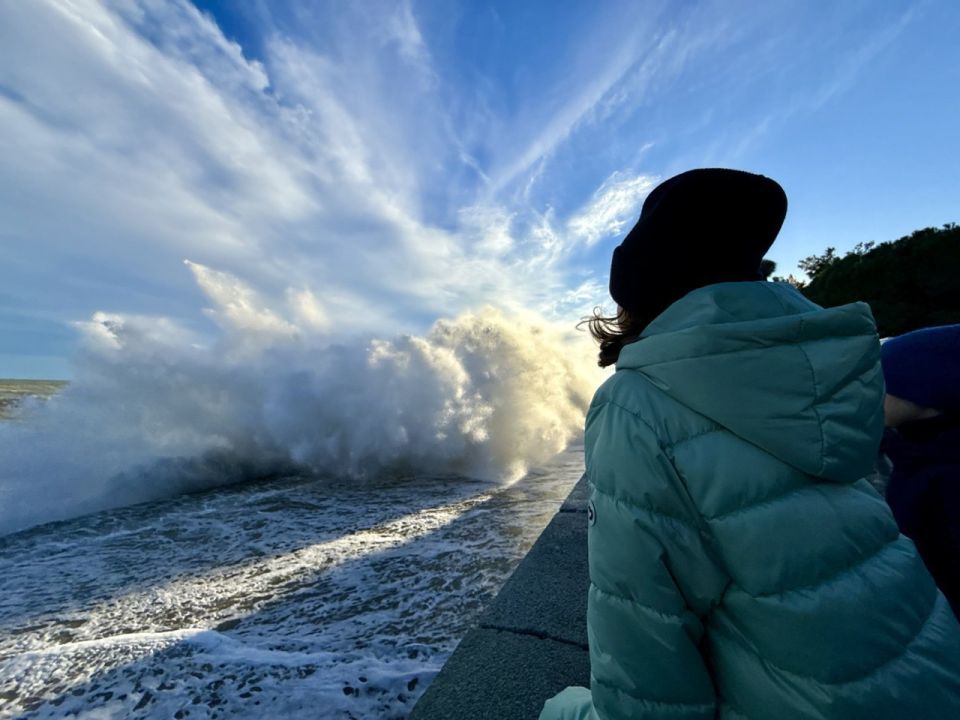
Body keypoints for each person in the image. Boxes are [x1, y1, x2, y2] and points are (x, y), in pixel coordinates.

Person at [540, 169, 960, 720]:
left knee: (559, 709)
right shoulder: (828, 372)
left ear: (638, 292)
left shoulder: (636, 403)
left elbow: (641, 636)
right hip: (937, 674)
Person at [880, 324, 960, 618]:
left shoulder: (947, 472)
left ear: (926, 393)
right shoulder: (914, 452)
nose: (870, 392)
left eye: (883, 382)